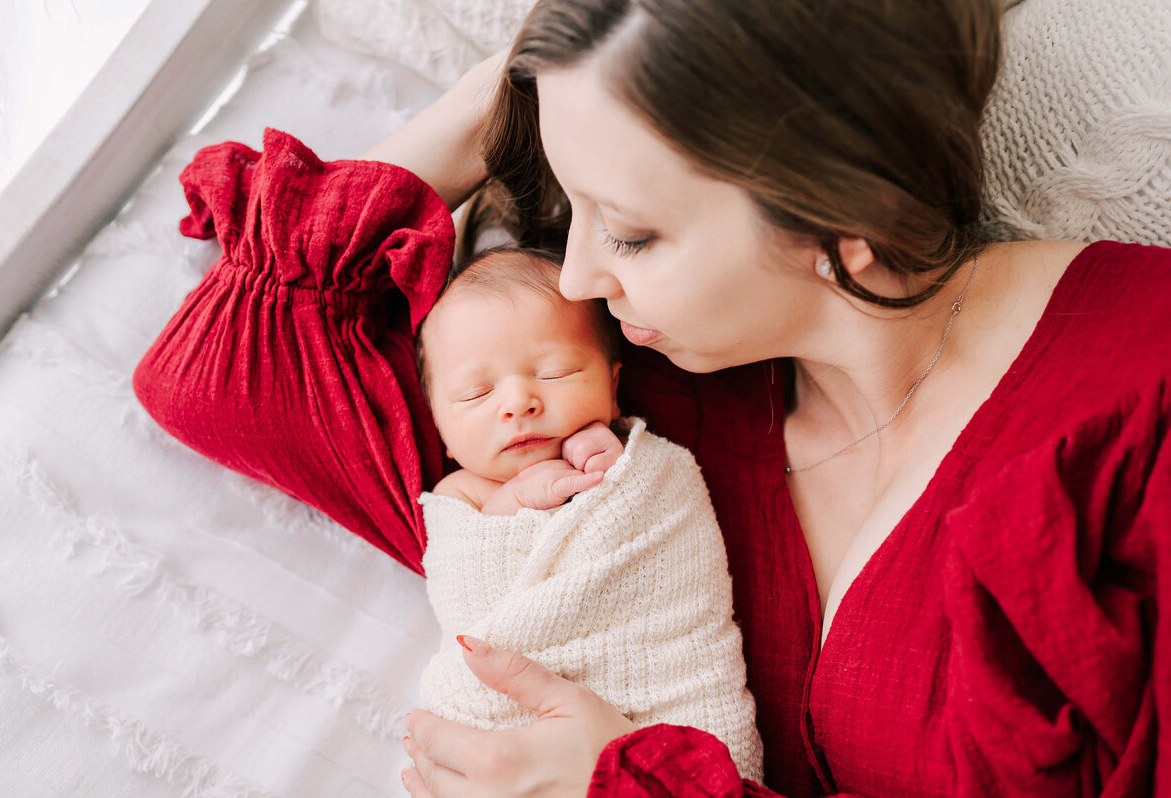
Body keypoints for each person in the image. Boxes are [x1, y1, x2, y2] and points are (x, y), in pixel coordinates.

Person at [132, 0, 1171, 795]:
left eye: (629, 232)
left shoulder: (1137, 408)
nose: (577, 276)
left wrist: (624, 780)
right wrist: (582, 51)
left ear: (844, 203)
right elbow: (226, 378)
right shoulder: (616, 412)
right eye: (571, 206)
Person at [412, 247, 763, 781]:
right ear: (439, 426)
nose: (518, 402)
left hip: (663, 700)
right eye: (477, 393)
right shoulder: (461, 494)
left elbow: (649, 530)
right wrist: (522, 497)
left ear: (613, 385)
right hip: (503, 728)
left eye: (555, 373)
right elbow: (471, 577)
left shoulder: (639, 466)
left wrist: (610, 468)